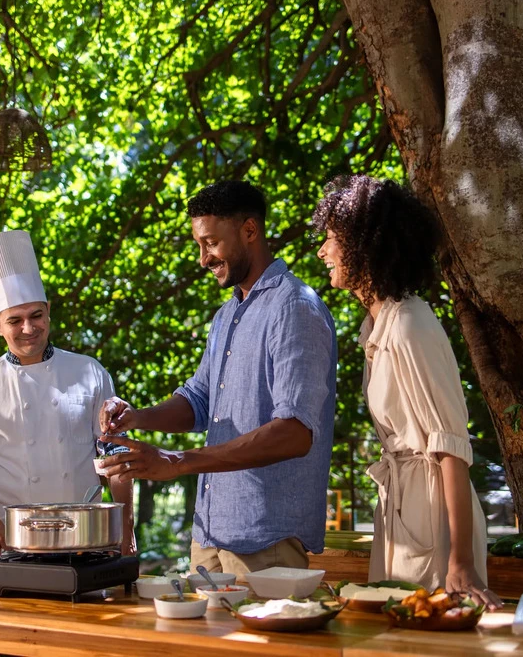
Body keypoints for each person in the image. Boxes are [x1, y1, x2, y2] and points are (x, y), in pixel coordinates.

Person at [97, 180, 337, 577]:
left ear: (249, 231)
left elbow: (295, 432)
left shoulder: (294, 308)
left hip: (266, 542)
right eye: (198, 245)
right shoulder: (226, 315)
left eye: (210, 243)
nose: (203, 258)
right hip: (208, 537)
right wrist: (138, 416)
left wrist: (176, 461)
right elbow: (199, 401)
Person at [313, 175, 502, 609]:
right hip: (399, 509)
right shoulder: (376, 327)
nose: (323, 251)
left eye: (331, 239)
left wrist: (460, 559)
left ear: (365, 243)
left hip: (434, 516)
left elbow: (452, 445)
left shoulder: (410, 323)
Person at [0, 230, 135, 558]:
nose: (28, 329)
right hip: (11, 536)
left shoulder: (89, 372)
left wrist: (125, 525)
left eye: (36, 316)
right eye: (14, 320)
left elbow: (116, 456)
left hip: (85, 537)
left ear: (48, 310)